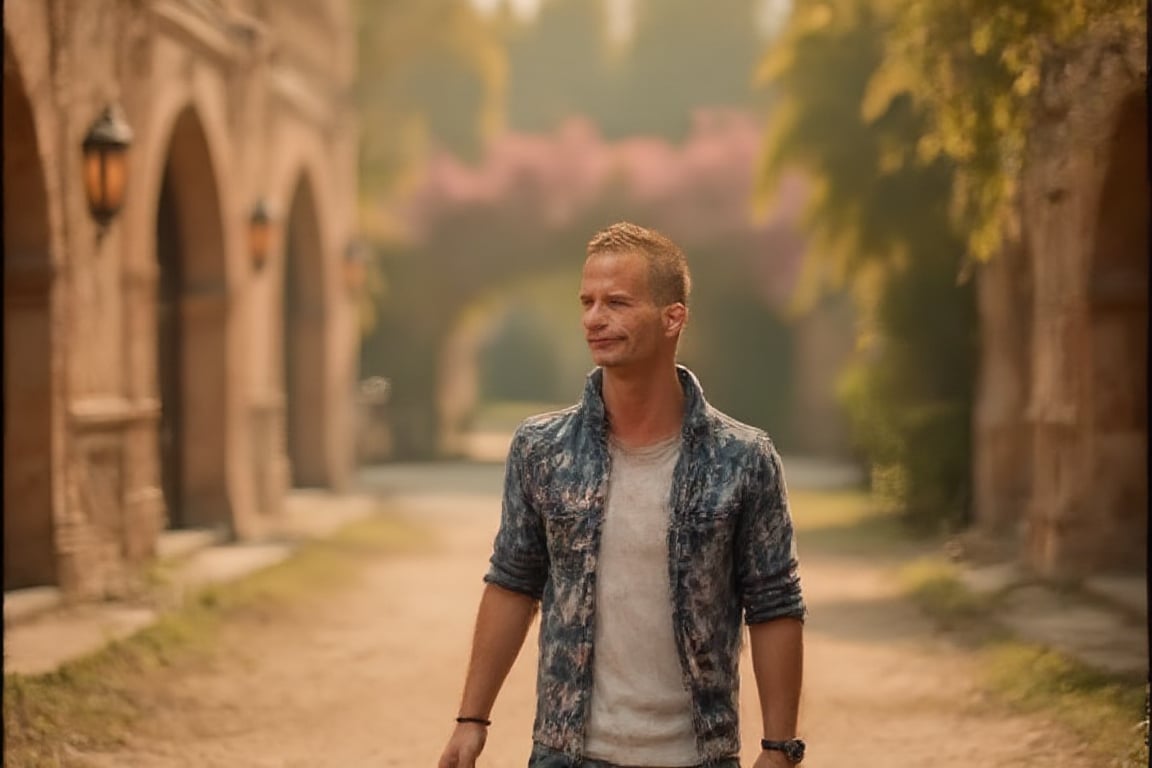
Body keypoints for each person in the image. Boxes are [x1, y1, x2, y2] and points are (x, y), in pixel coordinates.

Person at [438, 222, 806, 768]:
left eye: (617, 302)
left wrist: (779, 749)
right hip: (567, 755)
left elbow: (774, 603)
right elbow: (513, 581)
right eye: (587, 301)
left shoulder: (743, 459)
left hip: (697, 757)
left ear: (672, 316)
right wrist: (471, 721)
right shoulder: (542, 449)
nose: (594, 318)